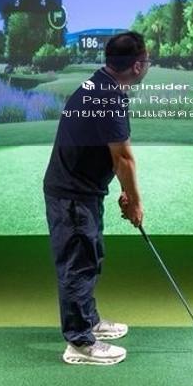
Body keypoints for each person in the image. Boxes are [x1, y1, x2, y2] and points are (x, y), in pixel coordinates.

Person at [43, 31, 149, 365]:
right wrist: (135, 202)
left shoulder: (98, 85)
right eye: (146, 60)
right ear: (137, 66)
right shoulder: (108, 97)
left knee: (90, 256)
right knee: (79, 264)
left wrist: (123, 191)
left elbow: (108, 153)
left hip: (82, 190)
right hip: (72, 195)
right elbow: (124, 159)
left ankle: (88, 321)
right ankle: (79, 343)